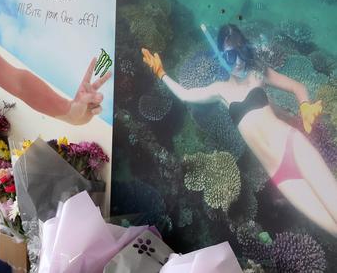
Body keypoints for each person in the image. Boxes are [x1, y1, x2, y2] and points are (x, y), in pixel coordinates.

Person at [142, 23, 337, 235]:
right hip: (280, 174)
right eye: (229, 56)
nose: (238, 62)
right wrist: (161, 73)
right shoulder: (220, 90)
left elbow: (297, 87)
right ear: (220, 57)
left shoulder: (257, 74)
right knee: (332, 228)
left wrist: (305, 106)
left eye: (241, 52)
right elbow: (185, 95)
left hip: (294, 145)